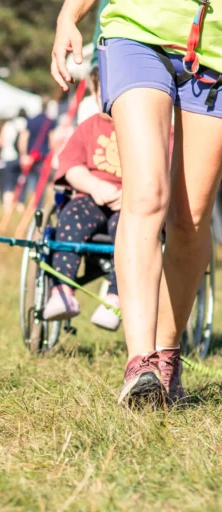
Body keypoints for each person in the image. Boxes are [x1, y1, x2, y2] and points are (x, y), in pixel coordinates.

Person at [52, 0, 222, 407]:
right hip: (136, 31)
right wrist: (67, 16)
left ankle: (165, 358)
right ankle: (139, 362)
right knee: (147, 193)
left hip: (214, 47)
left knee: (192, 218)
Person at [43, 68, 122, 331]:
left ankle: (115, 298)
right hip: (90, 195)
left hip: (133, 202)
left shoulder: (153, 129)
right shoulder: (88, 127)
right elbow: (71, 166)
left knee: (132, 231)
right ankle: (62, 292)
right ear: (95, 93)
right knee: (70, 218)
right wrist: (95, 186)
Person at [18, 98, 56, 205]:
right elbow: (52, 140)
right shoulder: (50, 121)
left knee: (27, 180)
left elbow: (23, 139)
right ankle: (38, 206)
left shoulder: (31, 120)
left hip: (30, 156)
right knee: (41, 183)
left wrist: (23, 155)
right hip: (43, 156)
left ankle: (23, 203)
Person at [0, 110, 28, 213]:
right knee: (20, 182)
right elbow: (23, 142)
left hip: (6, 157)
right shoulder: (24, 124)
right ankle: (20, 205)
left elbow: (0, 142)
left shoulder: (8, 125)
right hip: (18, 158)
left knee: (7, 183)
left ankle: (7, 207)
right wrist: (23, 155)